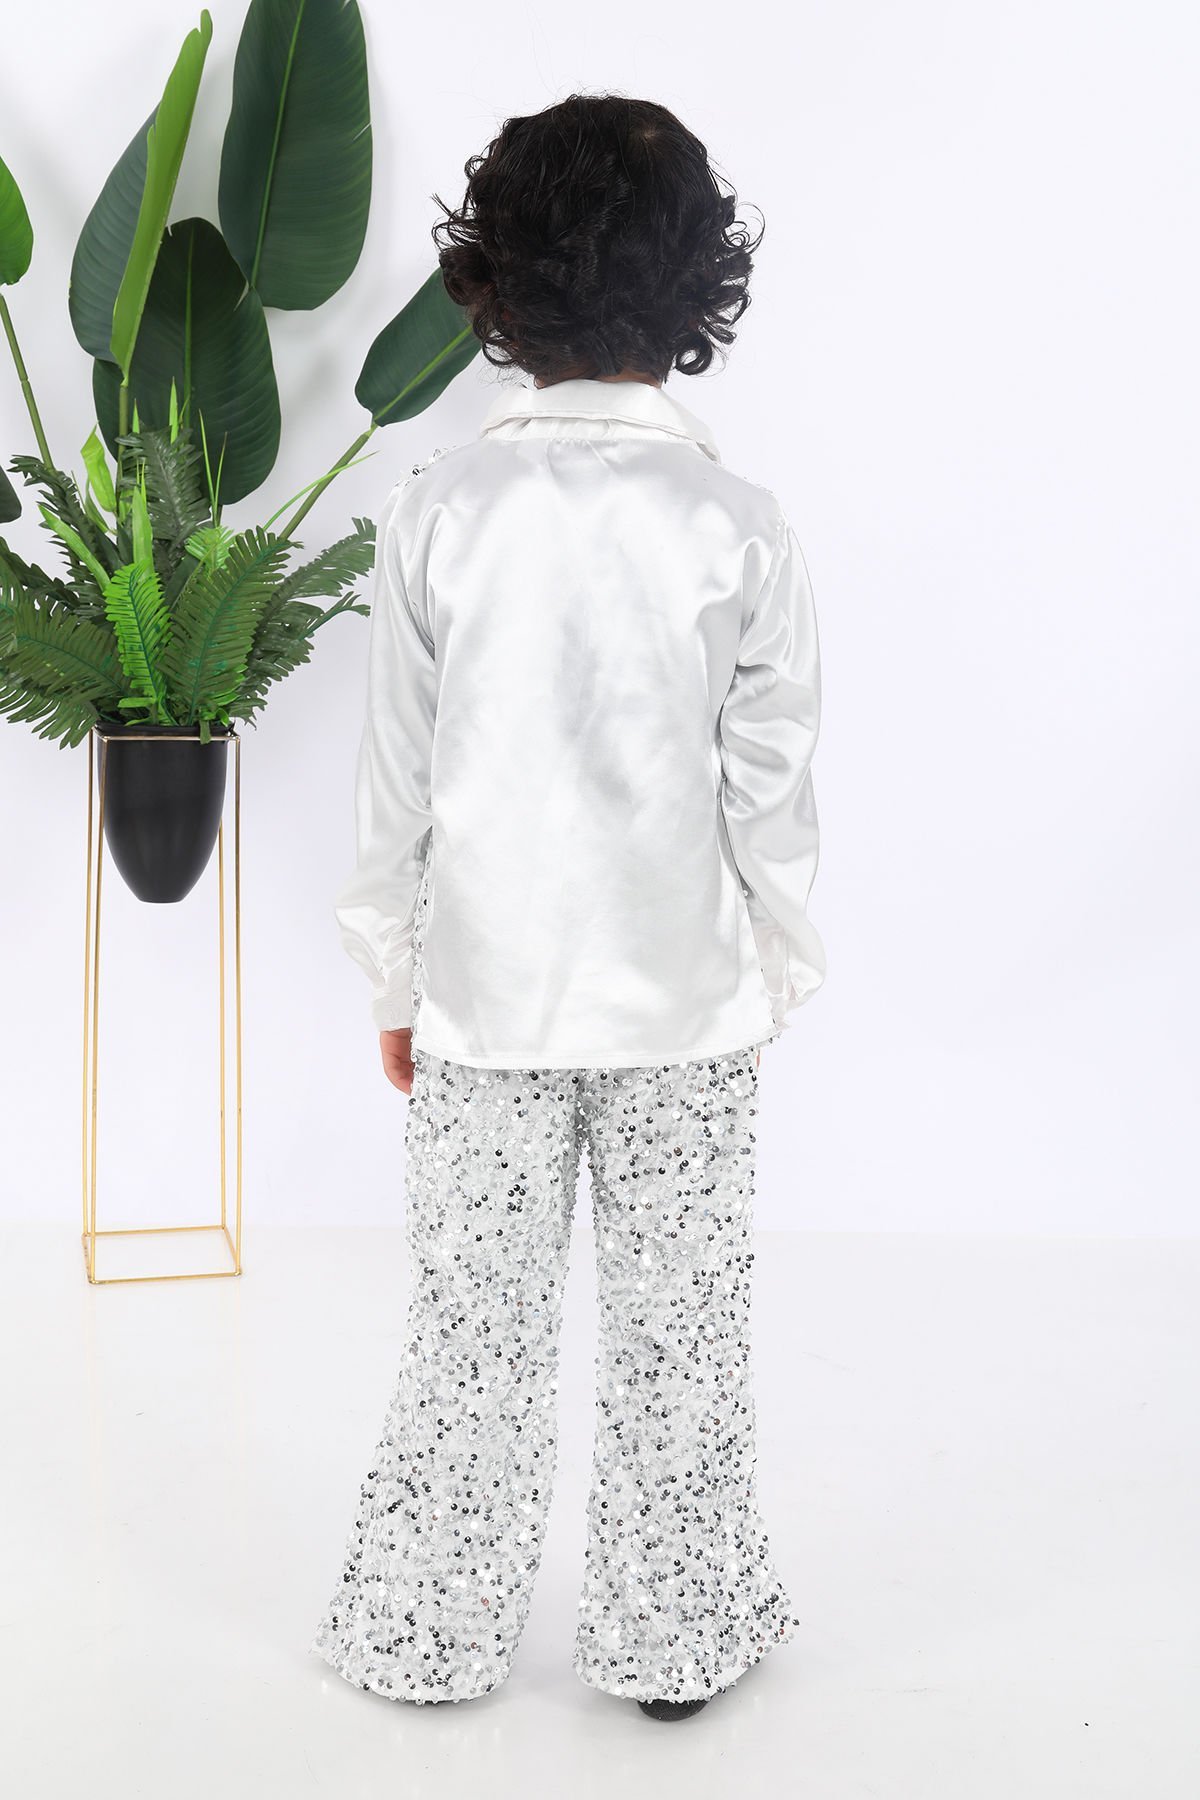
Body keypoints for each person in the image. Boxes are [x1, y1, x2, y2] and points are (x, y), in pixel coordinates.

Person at [309, 93, 826, 1724]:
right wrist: (775, 973)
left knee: (472, 1328)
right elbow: (772, 791)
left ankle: (426, 1636)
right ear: (698, 283)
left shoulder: (440, 509)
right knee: (681, 1339)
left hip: (482, 1001)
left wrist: (394, 977)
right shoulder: (739, 526)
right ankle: (675, 1642)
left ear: (498, 282)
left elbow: (396, 782)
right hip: (685, 1007)